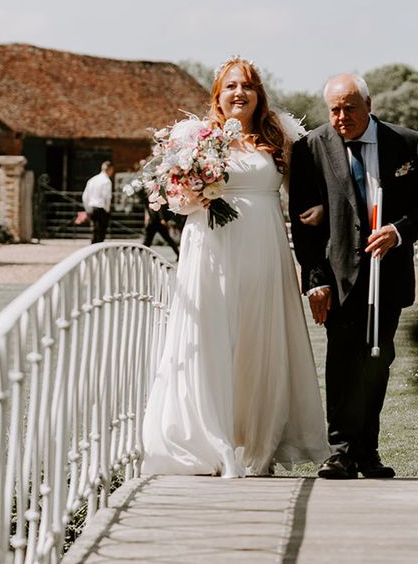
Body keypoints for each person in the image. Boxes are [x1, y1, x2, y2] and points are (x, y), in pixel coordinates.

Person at [141, 56, 329, 478]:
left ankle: (260, 446)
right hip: (213, 249)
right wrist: (194, 191)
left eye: (247, 86)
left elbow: (306, 192)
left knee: (259, 339)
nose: (239, 93)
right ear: (218, 96)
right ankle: (215, 441)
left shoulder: (278, 136)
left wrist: (319, 212)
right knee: (213, 337)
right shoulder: (196, 136)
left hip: (265, 251)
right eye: (231, 86)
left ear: (259, 94)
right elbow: (177, 200)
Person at [288, 73, 418, 479]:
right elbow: (303, 223)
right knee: (341, 361)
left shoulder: (408, 143)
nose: (341, 117)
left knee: (378, 360)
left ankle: (367, 451)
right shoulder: (311, 147)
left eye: (349, 108)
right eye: (334, 109)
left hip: (387, 275)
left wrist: (398, 231)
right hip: (337, 277)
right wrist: (315, 279)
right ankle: (339, 451)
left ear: (369, 104)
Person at [81, 161, 114, 244]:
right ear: (109, 169)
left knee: (94, 231)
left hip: (92, 207)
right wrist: (107, 210)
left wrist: (88, 209)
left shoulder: (92, 180)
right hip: (101, 208)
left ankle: (92, 249)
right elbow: (107, 197)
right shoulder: (107, 181)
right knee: (101, 234)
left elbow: (85, 196)